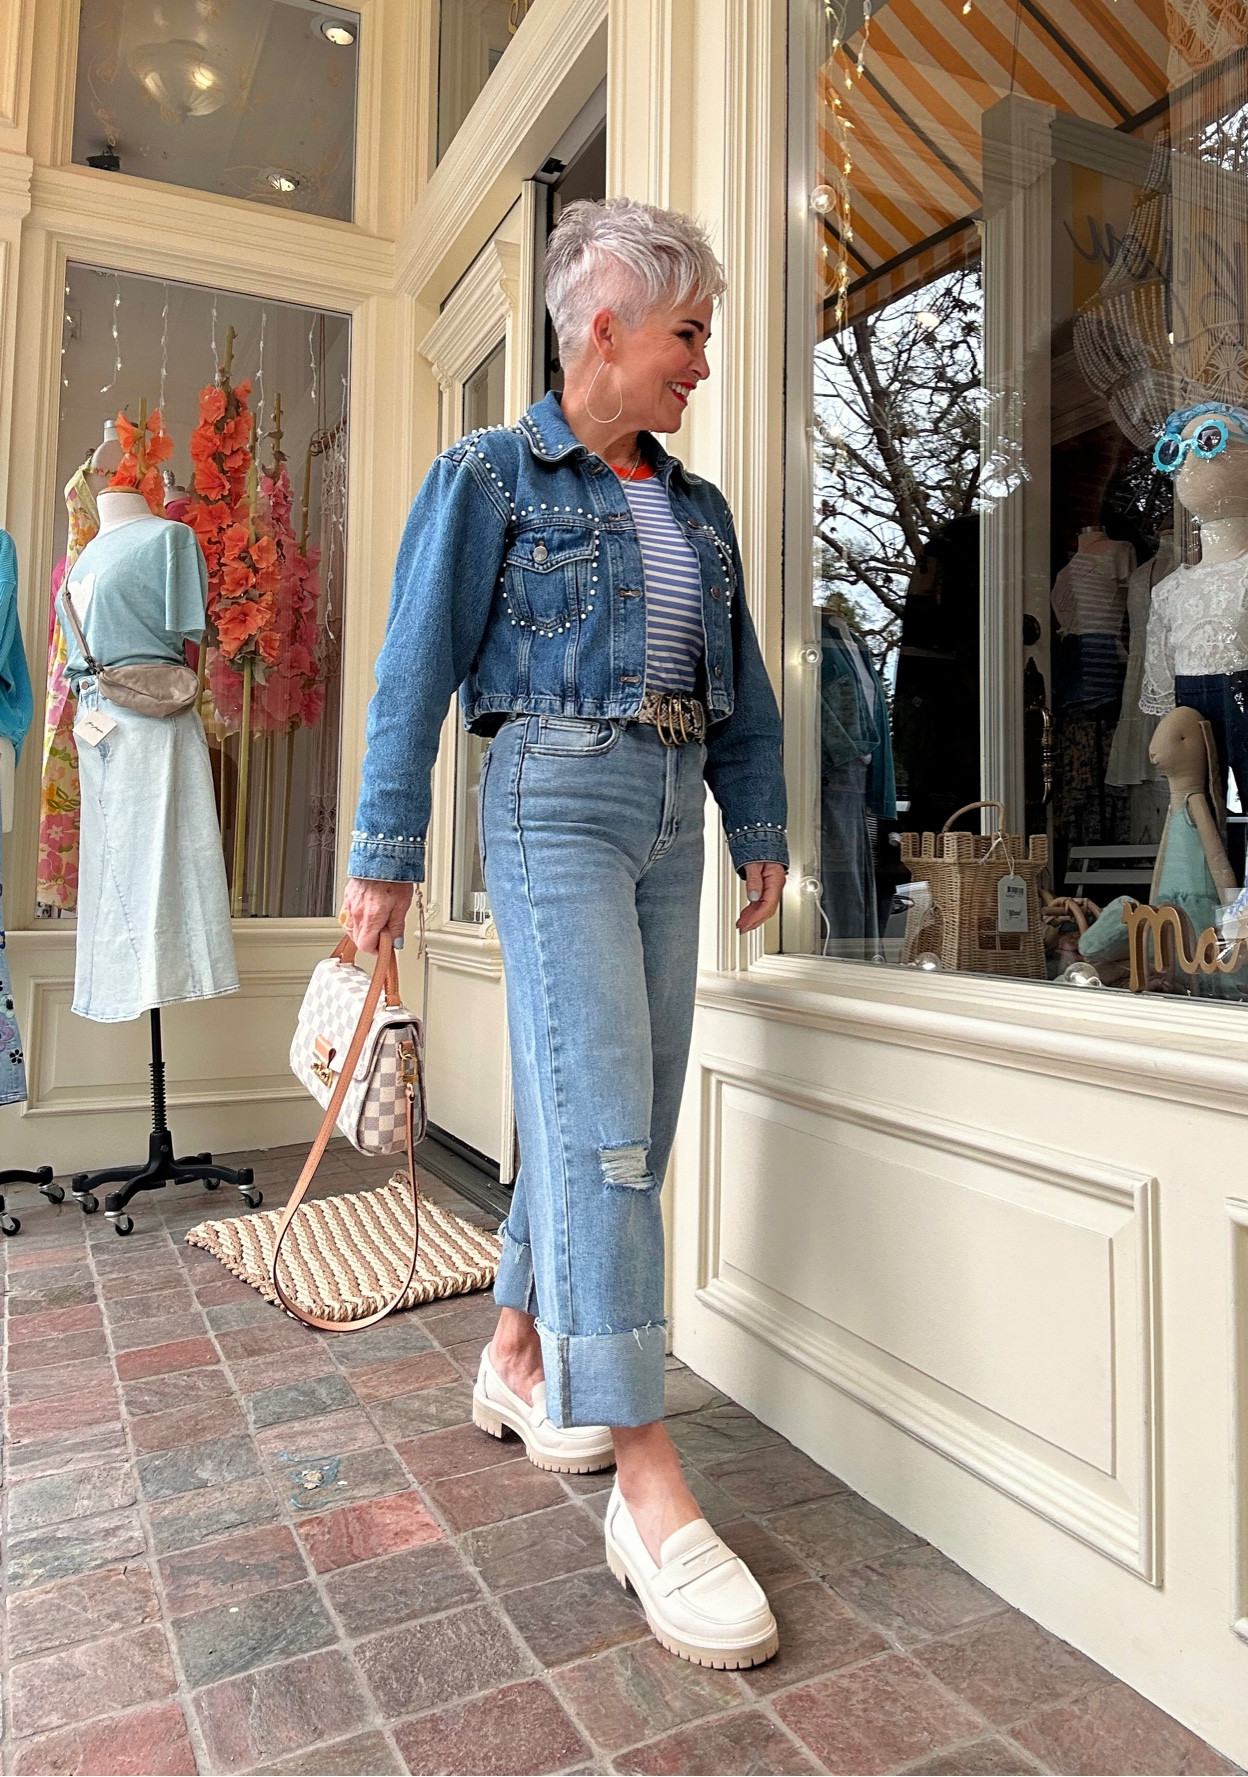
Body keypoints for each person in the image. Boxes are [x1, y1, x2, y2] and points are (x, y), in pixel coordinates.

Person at [342, 198, 788, 1671]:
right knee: (599, 1121)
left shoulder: (699, 507)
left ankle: (520, 1349)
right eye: (688, 333)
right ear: (605, 327)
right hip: (551, 799)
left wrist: (764, 821)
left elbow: (743, 690)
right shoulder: (487, 477)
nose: (702, 364)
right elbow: (412, 666)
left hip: (673, 810)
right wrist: (384, 857)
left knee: (626, 1118)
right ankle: (644, 1479)